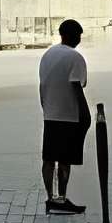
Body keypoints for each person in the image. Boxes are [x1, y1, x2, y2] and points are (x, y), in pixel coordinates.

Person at [38, 17, 90, 213]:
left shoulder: (47, 54)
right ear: (75, 36)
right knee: (65, 160)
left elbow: (42, 84)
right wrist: (85, 114)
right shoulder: (75, 57)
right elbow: (77, 86)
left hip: (50, 113)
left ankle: (50, 198)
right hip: (69, 114)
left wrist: (46, 107)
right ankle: (61, 198)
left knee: (49, 158)